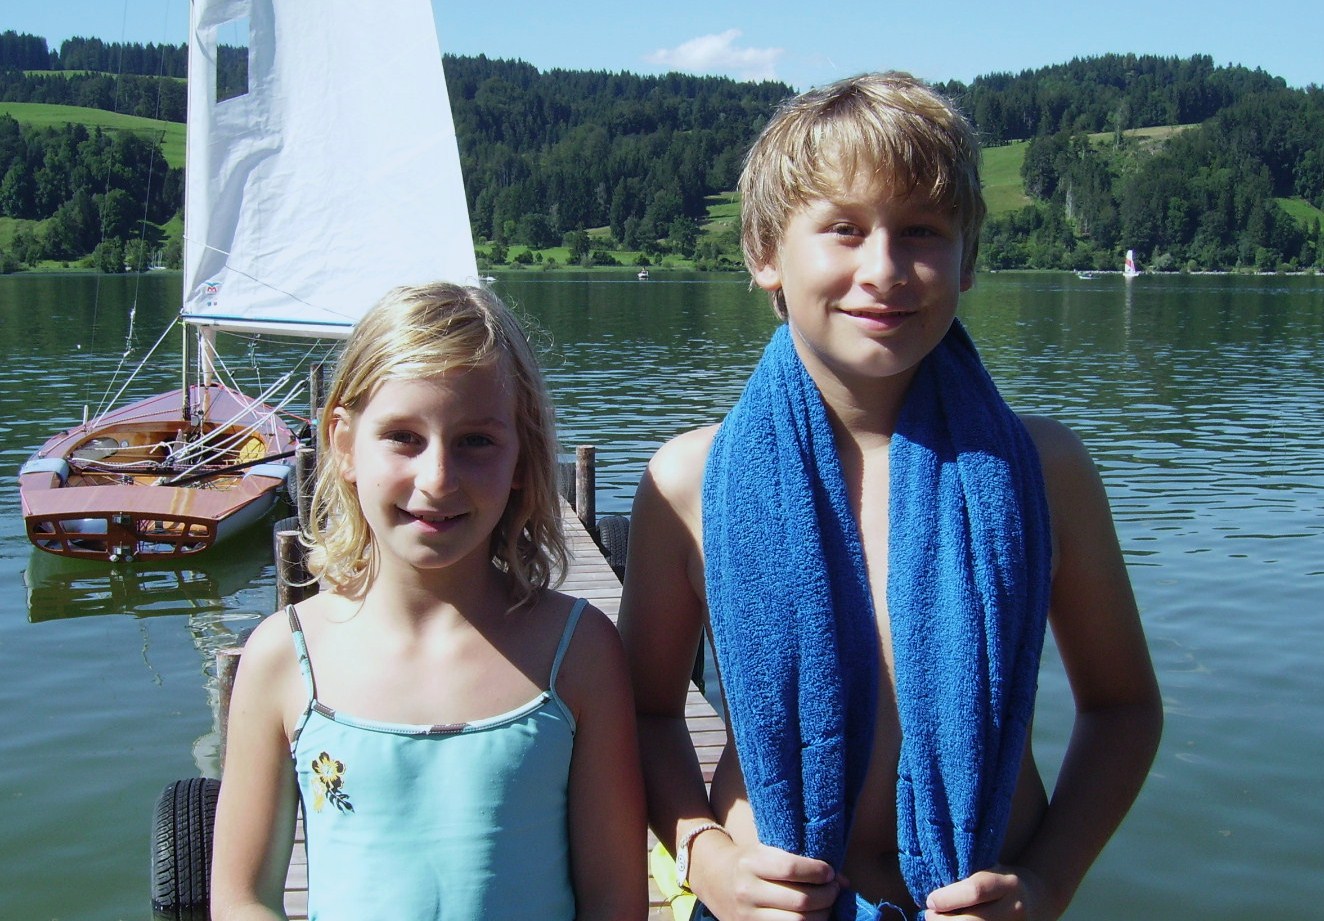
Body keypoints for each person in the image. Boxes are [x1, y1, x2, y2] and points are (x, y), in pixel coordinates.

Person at [618, 73, 1162, 921]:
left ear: (967, 258)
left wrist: (1050, 881)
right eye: (844, 228)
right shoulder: (691, 479)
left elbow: (1123, 708)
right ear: (765, 251)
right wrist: (707, 859)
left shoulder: (1042, 469)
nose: (883, 269)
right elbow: (646, 713)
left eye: (922, 231)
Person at [210, 282, 645, 921]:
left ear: (522, 454)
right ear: (343, 443)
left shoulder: (578, 652)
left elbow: (615, 900)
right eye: (403, 437)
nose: (438, 479)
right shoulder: (283, 657)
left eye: (476, 441)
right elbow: (241, 899)